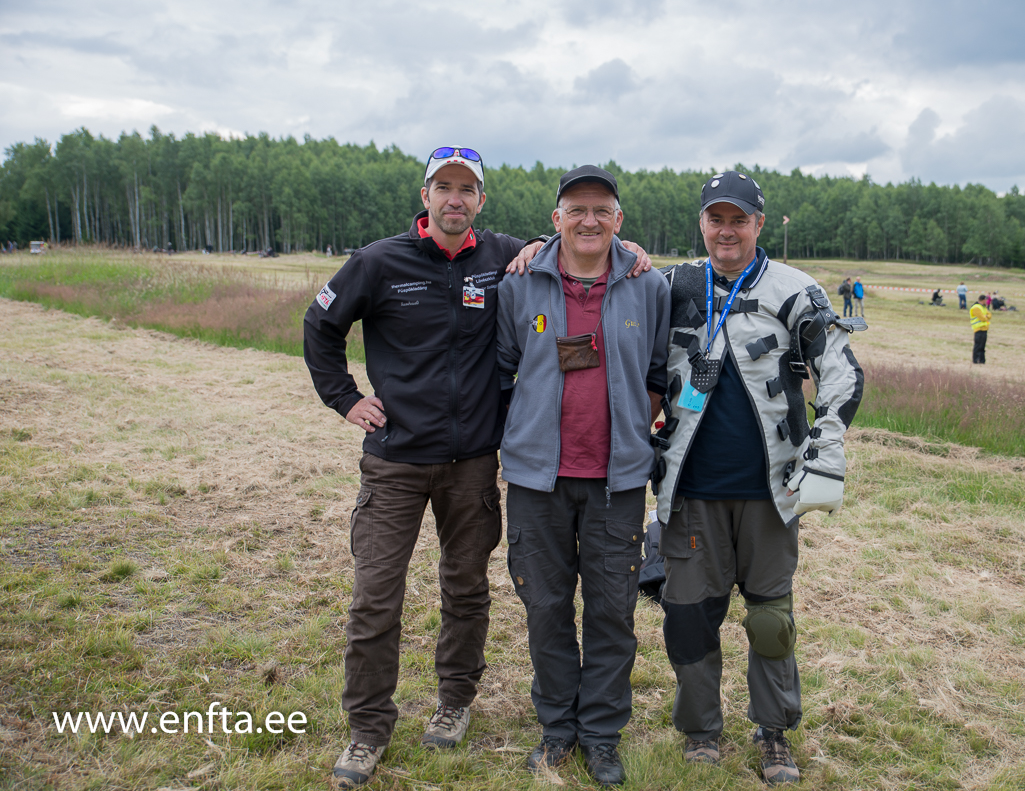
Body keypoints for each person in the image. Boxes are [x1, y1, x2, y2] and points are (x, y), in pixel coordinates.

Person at [303, 147, 652, 790]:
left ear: (481, 200)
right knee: (376, 599)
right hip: (397, 462)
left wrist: (621, 252)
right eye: (445, 187)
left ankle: (454, 702)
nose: (455, 199)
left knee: (466, 589)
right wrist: (346, 399)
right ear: (427, 193)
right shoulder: (379, 262)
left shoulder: (504, 258)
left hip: (473, 465)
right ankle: (367, 730)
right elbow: (320, 326)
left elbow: (573, 241)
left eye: (467, 189)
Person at [653, 171, 865, 785]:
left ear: (758, 224)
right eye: (716, 219)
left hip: (772, 492)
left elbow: (841, 370)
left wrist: (827, 444)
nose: (726, 230)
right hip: (690, 491)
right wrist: (539, 242)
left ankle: (773, 733)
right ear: (702, 224)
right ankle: (700, 731)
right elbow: (597, 269)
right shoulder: (672, 285)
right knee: (689, 616)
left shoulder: (796, 291)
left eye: (738, 219)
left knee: (771, 619)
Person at [497, 166, 670, 786]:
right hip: (536, 482)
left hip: (615, 482)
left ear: (619, 220)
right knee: (544, 608)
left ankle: (600, 734)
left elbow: (658, 375)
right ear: (557, 219)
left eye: (602, 210)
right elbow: (502, 369)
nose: (589, 220)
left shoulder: (649, 286)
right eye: (577, 209)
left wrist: (625, 435)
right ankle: (557, 729)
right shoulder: (519, 285)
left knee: (610, 611)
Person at [970, 294, 991, 364]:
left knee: (982, 346)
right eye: (986, 300)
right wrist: (986, 317)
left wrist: (986, 317)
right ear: (982, 300)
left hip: (984, 329)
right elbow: (982, 318)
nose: (987, 301)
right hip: (978, 329)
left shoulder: (983, 307)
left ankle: (982, 360)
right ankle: (975, 360)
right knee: (978, 346)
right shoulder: (976, 308)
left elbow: (990, 315)